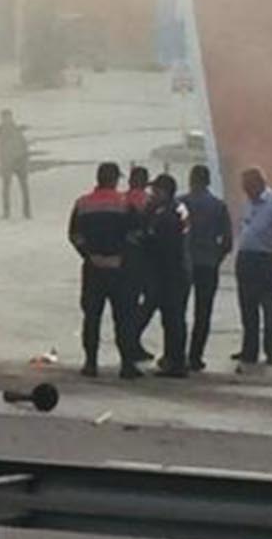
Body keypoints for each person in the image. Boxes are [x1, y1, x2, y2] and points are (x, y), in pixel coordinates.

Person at [70, 162, 144, 378]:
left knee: (92, 317)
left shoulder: (83, 203)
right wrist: (123, 256)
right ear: (114, 180)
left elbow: (74, 235)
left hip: (93, 269)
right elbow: (136, 234)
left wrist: (90, 255)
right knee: (124, 318)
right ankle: (127, 365)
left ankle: (91, 363)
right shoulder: (125, 204)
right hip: (119, 270)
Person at [233, 166, 272, 366]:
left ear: (258, 183)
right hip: (247, 258)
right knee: (247, 306)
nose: (245, 190)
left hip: (267, 258)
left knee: (269, 306)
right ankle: (249, 349)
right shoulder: (248, 202)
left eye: (247, 186)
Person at [181, 164, 231, 372]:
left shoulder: (181, 203)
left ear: (191, 180)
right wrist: (216, 257)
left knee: (177, 310)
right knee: (203, 311)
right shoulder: (218, 206)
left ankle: (175, 353)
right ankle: (195, 356)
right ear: (208, 181)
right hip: (208, 262)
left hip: (183, 263)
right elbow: (227, 240)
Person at [142, 174, 190, 377]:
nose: (152, 195)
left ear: (164, 192)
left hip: (170, 273)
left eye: (155, 191)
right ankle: (173, 358)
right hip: (179, 271)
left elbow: (162, 245)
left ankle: (176, 362)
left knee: (172, 320)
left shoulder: (167, 215)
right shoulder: (178, 208)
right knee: (174, 319)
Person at [120, 164, 155, 365]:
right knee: (150, 300)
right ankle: (132, 341)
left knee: (129, 304)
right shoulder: (148, 200)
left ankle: (132, 342)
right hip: (145, 260)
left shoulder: (121, 199)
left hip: (124, 260)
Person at [0, 109, 31, 220]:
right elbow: (1, 143)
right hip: (8, 162)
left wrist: (24, 158)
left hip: (19, 161)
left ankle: (27, 212)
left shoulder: (16, 129)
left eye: (8, 117)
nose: (6, 120)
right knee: (6, 188)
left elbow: (23, 144)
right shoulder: (1, 130)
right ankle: (6, 212)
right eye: (4, 117)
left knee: (24, 188)